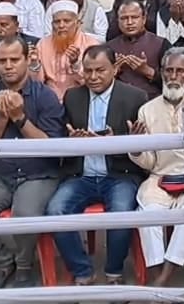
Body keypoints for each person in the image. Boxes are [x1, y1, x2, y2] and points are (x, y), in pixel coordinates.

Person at [0, 36, 65, 288]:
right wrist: (1, 119)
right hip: (0, 173)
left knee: (26, 216)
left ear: (27, 60)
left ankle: (24, 267)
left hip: (38, 172)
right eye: (2, 60)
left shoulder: (45, 96)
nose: (8, 66)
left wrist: (19, 118)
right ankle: (5, 260)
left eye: (14, 59)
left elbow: (52, 148)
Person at [45, 45, 148, 285]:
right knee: (55, 211)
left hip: (120, 174)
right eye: (88, 70)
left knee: (121, 213)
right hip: (81, 175)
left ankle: (114, 272)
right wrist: (72, 142)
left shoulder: (135, 97)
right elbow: (61, 136)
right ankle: (82, 272)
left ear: (115, 69)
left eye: (100, 70)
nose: (93, 77)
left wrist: (117, 142)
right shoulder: (73, 96)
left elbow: (144, 146)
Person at [130, 46, 184, 286]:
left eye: (180, 71)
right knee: (148, 214)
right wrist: (136, 148)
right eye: (168, 70)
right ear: (161, 73)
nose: (173, 76)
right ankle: (156, 275)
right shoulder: (147, 109)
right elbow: (150, 162)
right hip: (161, 177)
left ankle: (162, 281)